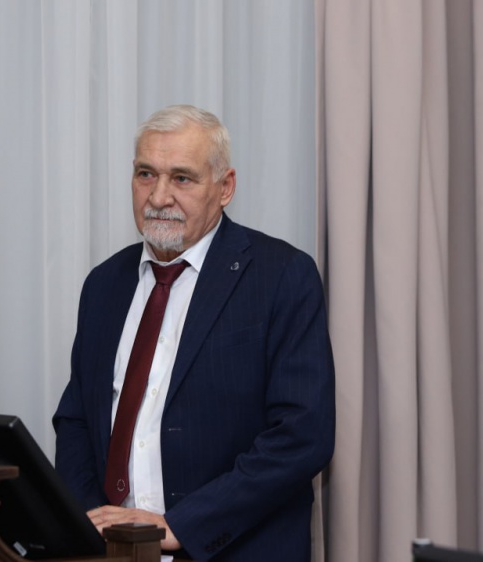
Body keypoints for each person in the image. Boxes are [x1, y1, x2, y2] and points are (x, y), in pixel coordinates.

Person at [53, 104, 335, 561]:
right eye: (146, 174)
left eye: (181, 178)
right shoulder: (104, 284)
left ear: (225, 188)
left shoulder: (281, 276)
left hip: (232, 549)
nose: (159, 196)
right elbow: (76, 420)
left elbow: (303, 435)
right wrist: (91, 521)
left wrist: (183, 526)